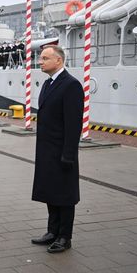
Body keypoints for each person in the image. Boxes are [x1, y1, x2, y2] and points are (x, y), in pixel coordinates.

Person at [30, 44, 83, 253]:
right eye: (40, 58)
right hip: (46, 151)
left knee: (65, 195)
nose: (40, 62)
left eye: (44, 59)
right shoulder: (48, 83)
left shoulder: (71, 85)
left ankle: (64, 236)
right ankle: (52, 231)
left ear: (58, 61)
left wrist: (68, 154)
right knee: (51, 192)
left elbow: (73, 123)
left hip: (62, 152)